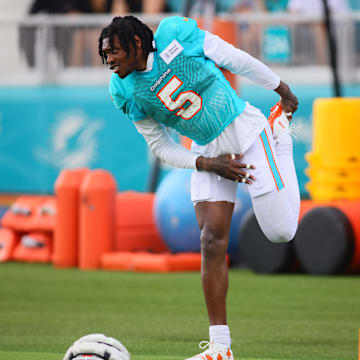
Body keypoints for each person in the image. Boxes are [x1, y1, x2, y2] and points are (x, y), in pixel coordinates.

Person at [98, 15, 300, 360]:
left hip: (246, 133)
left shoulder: (177, 36)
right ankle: (221, 348)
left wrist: (280, 87)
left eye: (113, 51)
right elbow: (160, 147)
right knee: (210, 240)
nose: (109, 61)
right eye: (105, 55)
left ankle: (280, 138)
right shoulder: (125, 90)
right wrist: (209, 164)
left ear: (135, 43)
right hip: (207, 150)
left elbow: (233, 58)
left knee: (281, 232)